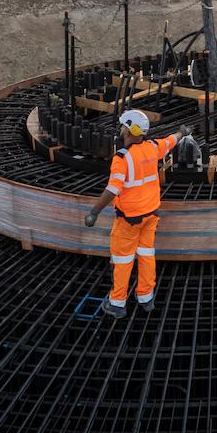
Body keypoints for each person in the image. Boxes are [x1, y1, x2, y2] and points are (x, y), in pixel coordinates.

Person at [85, 110, 197, 316]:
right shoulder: (152, 148)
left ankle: (117, 303)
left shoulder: (122, 158)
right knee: (146, 255)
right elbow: (169, 142)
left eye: (123, 127)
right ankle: (146, 298)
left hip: (129, 220)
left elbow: (113, 189)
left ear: (130, 130)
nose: (120, 130)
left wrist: (94, 211)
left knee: (123, 258)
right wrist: (181, 133)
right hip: (151, 215)